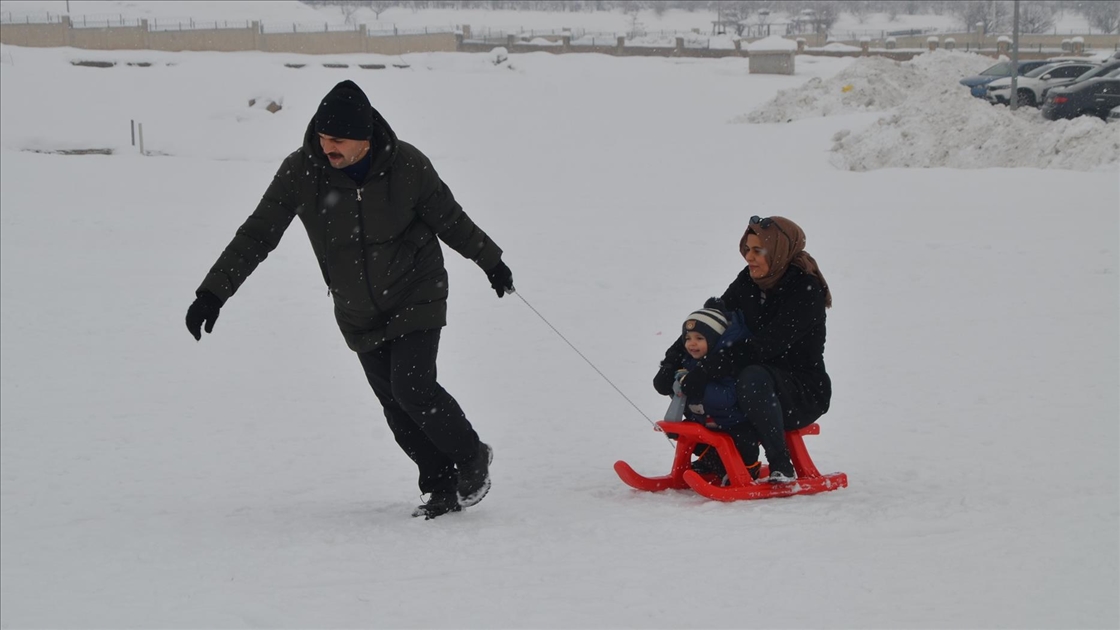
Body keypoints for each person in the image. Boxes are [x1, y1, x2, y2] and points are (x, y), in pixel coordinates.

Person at [184, 80, 514, 520]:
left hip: (417, 289)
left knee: (412, 386)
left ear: (365, 138)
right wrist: (212, 292)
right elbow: (257, 233)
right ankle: (438, 486)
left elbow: (450, 219)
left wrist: (491, 261)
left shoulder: (407, 166)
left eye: (337, 140)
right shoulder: (301, 172)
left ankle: (472, 456)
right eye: (322, 138)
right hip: (357, 308)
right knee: (395, 405)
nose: (327, 148)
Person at [653, 215, 831, 483]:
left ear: (779, 250)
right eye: (746, 249)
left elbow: (765, 346)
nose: (749, 257)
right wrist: (670, 363)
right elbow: (712, 321)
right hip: (749, 377)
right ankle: (716, 455)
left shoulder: (805, 289)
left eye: (758, 250)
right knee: (722, 379)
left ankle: (781, 463)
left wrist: (708, 369)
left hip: (798, 392)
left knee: (750, 376)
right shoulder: (748, 281)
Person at [655, 307, 762, 481]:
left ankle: (748, 470)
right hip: (703, 420)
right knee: (689, 437)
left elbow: (728, 397)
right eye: (688, 338)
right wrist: (674, 386)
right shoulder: (688, 363)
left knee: (745, 442)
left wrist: (701, 388)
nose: (692, 343)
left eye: (699, 338)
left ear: (713, 340)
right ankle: (711, 463)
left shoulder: (722, 364)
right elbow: (684, 394)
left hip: (733, 422)